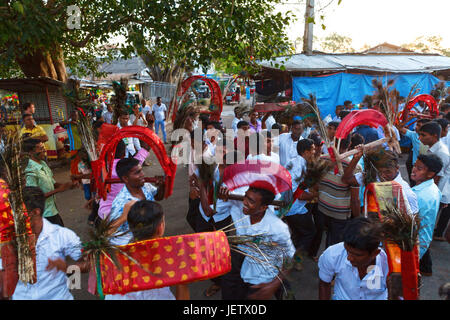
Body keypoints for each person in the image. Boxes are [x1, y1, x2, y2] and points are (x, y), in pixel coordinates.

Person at [0, 186, 89, 300]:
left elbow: (88, 264)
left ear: (35, 212)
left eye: (17, 212)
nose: (13, 217)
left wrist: (67, 268)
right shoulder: (7, 239)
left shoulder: (62, 235)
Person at [219, 185, 296, 300]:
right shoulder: (241, 209)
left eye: (251, 201)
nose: (244, 202)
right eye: (245, 197)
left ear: (263, 207)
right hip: (247, 271)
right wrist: (222, 194)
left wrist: (272, 286)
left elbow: (291, 258)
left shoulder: (277, 228)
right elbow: (218, 200)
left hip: (268, 274)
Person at [105, 200, 189, 300]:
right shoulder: (155, 274)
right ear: (160, 228)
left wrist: (123, 217)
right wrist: (183, 282)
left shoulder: (117, 254)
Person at [318, 217, 388, 300]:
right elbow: (324, 283)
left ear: (374, 253)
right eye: (347, 251)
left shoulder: (388, 265)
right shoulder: (332, 254)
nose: (349, 258)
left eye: (357, 255)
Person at [342, 147, 419, 215]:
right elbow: (346, 179)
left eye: (387, 171)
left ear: (397, 168)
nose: (383, 176)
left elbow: (412, 222)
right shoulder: (373, 176)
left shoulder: (406, 192)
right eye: (380, 172)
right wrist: (355, 159)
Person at [108, 157, 165, 245]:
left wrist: (162, 186)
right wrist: (124, 217)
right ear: (125, 178)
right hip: (134, 246)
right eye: (137, 172)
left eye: (141, 170)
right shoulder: (121, 202)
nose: (143, 174)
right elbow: (108, 232)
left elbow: (158, 197)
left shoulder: (145, 186)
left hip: (151, 239)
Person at [318, 135, 361, 248]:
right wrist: (357, 219)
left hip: (323, 207)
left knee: (329, 236)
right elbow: (355, 199)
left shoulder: (323, 159)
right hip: (339, 213)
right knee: (335, 244)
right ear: (350, 144)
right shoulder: (355, 167)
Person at [23, 139, 77, 227]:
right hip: (44, 214)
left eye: (43, 147)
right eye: (40, 148)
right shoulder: (30, 172)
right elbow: (34, 197)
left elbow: (52, 183)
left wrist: (67, 185)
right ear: (30, 152)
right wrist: (59, 190)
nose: (44, 150)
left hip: (52, 210)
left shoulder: (43, 163)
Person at [283, 139, 318, 271]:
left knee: (298, 233)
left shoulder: (297, 162)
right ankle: (296, 260)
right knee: (309, 233)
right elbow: (296, 193)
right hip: (295, 208)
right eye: (312, 150)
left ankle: (290, 256)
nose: (314, 152)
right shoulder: (298, 165)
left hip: (291, 207)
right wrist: (314, 196)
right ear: (306, 152)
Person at [98, 140, 151, 220]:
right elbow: (146, 147)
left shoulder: (102, 167)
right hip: (126, 212)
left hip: (105, 212)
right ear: (124, 153)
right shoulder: (132, 166)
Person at [410, 154, 443, 276]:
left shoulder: (419, 195)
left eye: (419, 168)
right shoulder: (433, 188)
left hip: (415, 242)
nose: (414, 169)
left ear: (430, 174)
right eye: (415, 166)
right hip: (423, 239)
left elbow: (409, 222)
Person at [418, 122, 450, 241]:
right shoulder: (432, 148)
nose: (420, 138)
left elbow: (437, 177)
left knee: (428, 217)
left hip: (439, 190)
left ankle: (425, 240)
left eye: (423, 135)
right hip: (433, 188)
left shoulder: (441, 152)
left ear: (434, 136)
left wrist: (428, 194)